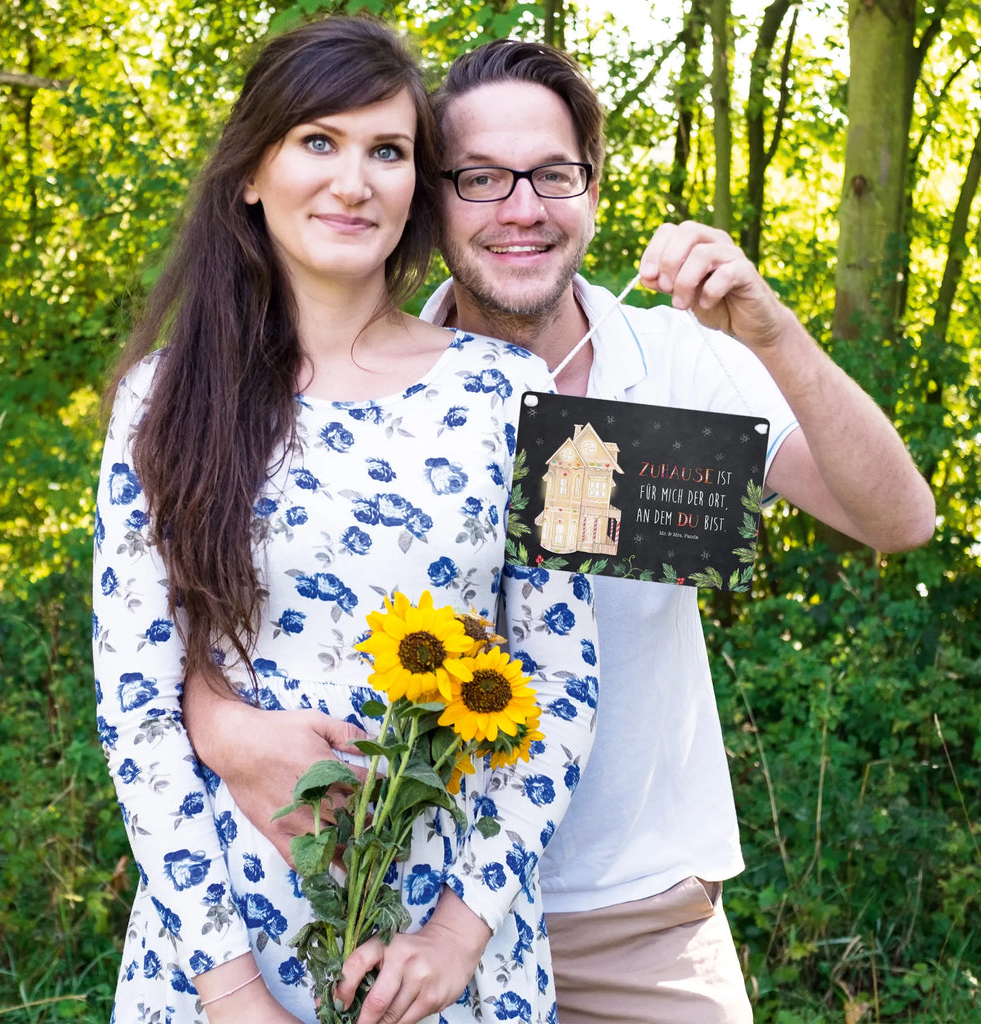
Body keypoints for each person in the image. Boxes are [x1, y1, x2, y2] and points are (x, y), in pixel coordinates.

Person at [183, 36, 936, 1024]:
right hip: (413, 904)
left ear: (593, 186)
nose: (522, 208)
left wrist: (767, 327)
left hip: (637, 918)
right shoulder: (361, 380)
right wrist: (216, 717)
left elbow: (898, 519)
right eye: (482, 178)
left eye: (552, 174)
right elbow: (227, 618)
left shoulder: (677, 356)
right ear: (430, 197)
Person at [92, 19, 598, 1024]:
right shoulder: (162, 399)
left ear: (417, 188)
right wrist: (233, 993)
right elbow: (135, 707)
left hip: (445, 948)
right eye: (318, 142)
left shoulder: (521, 393)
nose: (354, 182)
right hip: (224, 939)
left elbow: (565, 681)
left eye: (389, 151)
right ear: (252, 172)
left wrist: (456, 934)